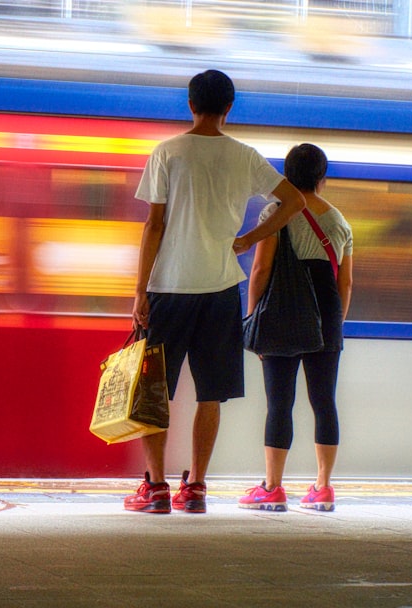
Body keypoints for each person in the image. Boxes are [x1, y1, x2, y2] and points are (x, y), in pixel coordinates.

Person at [125, 69, 307, 514]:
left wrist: (140, 292)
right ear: (229, 108)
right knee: (210, 394)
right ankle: (198, 487)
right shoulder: (244, 156)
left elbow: (155, 224)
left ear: (190, 104)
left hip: (169, 287)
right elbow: (295, 201)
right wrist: (249, 238)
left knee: (154, 391)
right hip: (222, 287)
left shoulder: (168, 152)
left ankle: (156, 488)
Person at [238, 143, 353, 512]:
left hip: (282, 315)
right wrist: (334, 322)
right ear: (322, 179)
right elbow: (345, 284)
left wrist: (254, 316)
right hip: (326, 316)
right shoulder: (340, 222)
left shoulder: (277, 212)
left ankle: (272, 488)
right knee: (324, 403)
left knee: (280, 404)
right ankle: (322, 488)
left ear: (286, 177)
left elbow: (261, 270)